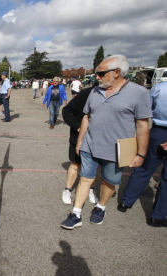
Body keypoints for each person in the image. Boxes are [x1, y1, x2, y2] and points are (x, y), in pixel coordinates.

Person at [60, 55, 152, 230]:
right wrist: (80, 142)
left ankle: (101, 207)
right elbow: (87, 117)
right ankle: (76, 214)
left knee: (108, 182)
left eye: (101, 73)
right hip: (89, 145)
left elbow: (142, 126)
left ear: (117, 72)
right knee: (85, 178)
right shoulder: (95, 91)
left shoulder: (138, 93)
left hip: (116, 150)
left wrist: (141, 154)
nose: (97, 77)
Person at [118, 81, 167, 227]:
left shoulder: (160, 87)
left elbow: (146, 109)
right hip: (159, 130)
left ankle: (126, 202)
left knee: (144, 168)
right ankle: (157, 216)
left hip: (158, 130)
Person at [62, 85, 97, 205]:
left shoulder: (115, 95)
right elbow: (66, 111)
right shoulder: (87, 93)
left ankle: (91, 189)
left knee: (96, 166)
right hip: (79, 136)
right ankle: (67, 189)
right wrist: (78, 127)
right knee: (76, 164)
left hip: (100, 138)